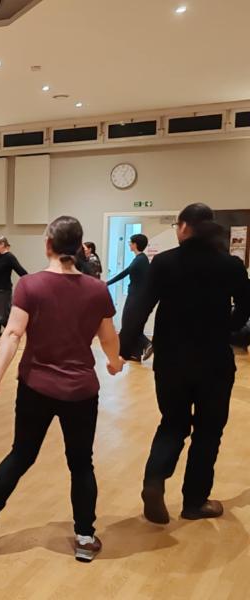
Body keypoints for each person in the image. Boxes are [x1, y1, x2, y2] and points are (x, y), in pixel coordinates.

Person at [0, 215, 122, 563]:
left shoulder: (31, 285)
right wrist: (115, 362)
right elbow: (108, 337)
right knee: (81, 464)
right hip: (81, 390)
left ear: (48, 245)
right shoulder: (97, 289)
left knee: (21, 454)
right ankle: (84, 537)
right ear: (79, 246)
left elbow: (12, 334)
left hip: (35, 387)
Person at [120, 203, 250, 525]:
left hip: (171, 361)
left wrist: (124, 348)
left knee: (173, 424)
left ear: (183, 227)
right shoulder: (229, 265)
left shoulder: (164, 262)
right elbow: (246, 305)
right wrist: (229, 327)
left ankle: (154, 479)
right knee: (208, 431)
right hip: (214, 362)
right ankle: (195, 502)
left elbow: (140, 307)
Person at [107, 233, 151, 361]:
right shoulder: (139, 259)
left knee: (128, 325)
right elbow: (125, 273)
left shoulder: (141, 260)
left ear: (135, 244)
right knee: (131, 324)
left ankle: (147, 344)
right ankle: (135, 354)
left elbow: (128, 274)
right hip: (136, 296)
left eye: (130, 242)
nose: (129, 245)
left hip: (137, 297)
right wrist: (107, 283)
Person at [0, 236, 28, 346]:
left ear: (2, 245)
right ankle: (0, 339)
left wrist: (31, 282)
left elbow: (21, 271)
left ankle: (1, 339)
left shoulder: (9, 257)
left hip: (4, 291)